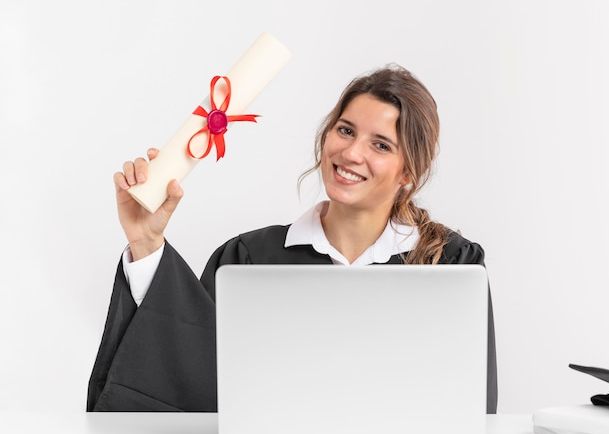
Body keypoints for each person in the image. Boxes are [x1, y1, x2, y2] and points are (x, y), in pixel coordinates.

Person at [87, 64, 498, 413]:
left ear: (409, 172)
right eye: (345, 130)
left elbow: (470, 408)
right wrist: (145, 243)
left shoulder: (450, 265)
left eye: (380, 144)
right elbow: (192, 372)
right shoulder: (248, 259)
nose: (352, 153)